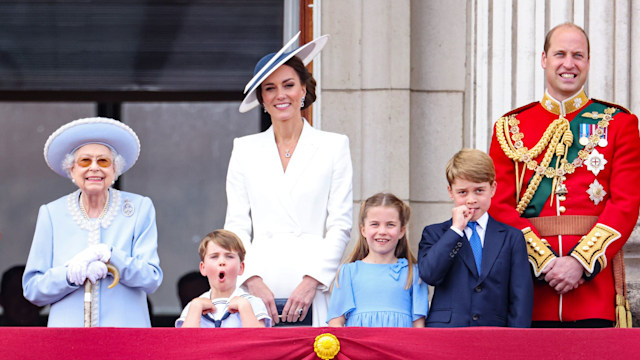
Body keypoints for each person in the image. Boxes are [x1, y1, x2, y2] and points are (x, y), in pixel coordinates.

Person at [489, 23, 640, 328]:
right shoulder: (510, 127)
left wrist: (579, 263)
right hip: (529, 292)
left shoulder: (619, 124)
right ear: (544, 58)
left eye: (578, 55)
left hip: (592, 292)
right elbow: (498, 204)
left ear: (588, 61)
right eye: (560, 54)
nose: (568, 64)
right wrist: (543, 262)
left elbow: (625, 204)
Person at [225, 31, 353, 326]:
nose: (280, 95)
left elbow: (340, 224)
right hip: (258, 283)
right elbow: (236, 225)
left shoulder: (334, 145)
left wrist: (313, 281)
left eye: (289, 85)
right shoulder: (244, 149)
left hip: (311, 282)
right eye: (270, 88)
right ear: (262, 99)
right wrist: (252, 279)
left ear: (304, 90)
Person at [23, 117, 163, 327]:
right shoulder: (52, 213)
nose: (94, 168)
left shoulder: (139, 208)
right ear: (72, 170)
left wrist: (111, 256)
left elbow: (151, 279)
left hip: (126, 336)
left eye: (104, 161)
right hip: (68, 338)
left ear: (115, 170)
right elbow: (33, 289)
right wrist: (68, 275)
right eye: (85, 161)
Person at [418, 149, 533, 327]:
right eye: (462, 192)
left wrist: (516, 342)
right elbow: (429, 275)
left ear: (493, 188)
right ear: (450, 192)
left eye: (479, 190)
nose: (471, 200)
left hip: (494, 333)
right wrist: (455, 230)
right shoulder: (435, 233)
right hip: (447, 333)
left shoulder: (512, 237)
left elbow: (521, 296)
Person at [326, 193, 428, 327]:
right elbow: (336, 322)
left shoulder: (413, 273)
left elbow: (419, 327)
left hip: (398, 346)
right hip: (360, 346)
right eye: (375, 224)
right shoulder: (348, 272)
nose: (382, 231)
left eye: (390, 225)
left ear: (402, 231)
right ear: (363, 230)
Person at [175, 230, 271, 328]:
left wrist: (244, 308)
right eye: (214, 257)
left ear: (241, 268)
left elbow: (259, 340)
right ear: (203, 268)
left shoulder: (253, 303)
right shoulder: (193, 306)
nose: (222, 262)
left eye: (229, 256)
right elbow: (186, 341)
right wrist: (196, 309)